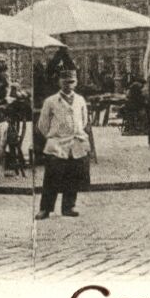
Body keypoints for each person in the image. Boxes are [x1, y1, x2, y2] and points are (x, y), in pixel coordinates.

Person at [36, 70, 92, 218]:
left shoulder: (80, 100)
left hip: (75, 142)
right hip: (58, 143)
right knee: (52, 177)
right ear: (59, 82)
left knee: (73, 176)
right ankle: (45, 209)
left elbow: (84, 121)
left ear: (76, 82)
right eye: (65, 81)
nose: (68, 85)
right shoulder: (51, 101)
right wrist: (54, 136)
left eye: (71, 82)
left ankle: (69, 206)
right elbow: (42, 125)